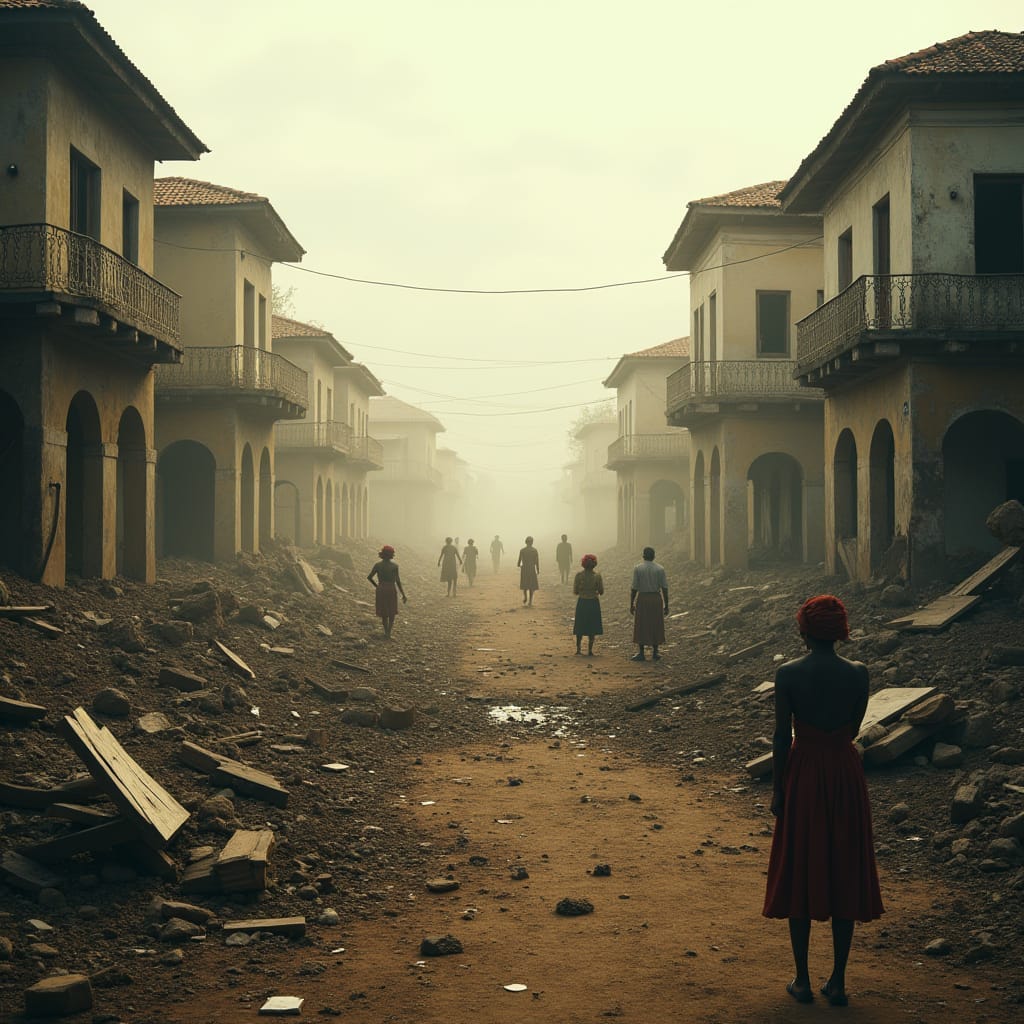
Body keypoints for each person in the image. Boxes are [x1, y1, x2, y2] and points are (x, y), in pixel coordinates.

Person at [763, 595, 883, 1008]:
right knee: (843, 867)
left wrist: (778, 789)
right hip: (845, 774)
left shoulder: (788, 674)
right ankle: (838, 981)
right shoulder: (859, 673)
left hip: (805, 773)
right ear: (840, 632)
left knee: (801, 866)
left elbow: (782, 737)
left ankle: (802, 979)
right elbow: (855, 725)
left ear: (804, 632)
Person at [629, 546, 668, 661]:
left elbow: (634, 588)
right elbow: (664, 588)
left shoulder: (638, 568)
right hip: (656, 598)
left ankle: (641, 652)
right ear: (654, 556)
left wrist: (631, 603)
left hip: (643, 598)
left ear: (643, 556)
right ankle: (655, 652)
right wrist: (667, 604)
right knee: (656, 623)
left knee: (641, 624)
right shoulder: (660, 569)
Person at [366, 545, 407, 638]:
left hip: (381, 589)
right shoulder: (395, 566)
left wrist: (377, 586)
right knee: (392, 610)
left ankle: (386, 632)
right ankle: (389, 632)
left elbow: (369, 577)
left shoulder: (377, 565)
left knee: (384, 611)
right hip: (391, 588)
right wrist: (403, 594)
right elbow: (398, 581)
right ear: (391, 555)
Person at [572, 554, 604, 655]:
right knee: (592, 626)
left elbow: (575, 591)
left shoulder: (579, 575)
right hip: (593, 602)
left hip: (582, 602)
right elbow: (601, 591)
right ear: (594, 564)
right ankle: (590, 650)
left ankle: (578, 649)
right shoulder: (597, 576)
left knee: (580, 625)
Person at [517, 535, 540, 606]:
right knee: (531, 586)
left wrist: (520, 565)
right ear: (532, 542)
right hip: (531, 569)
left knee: (525, 584)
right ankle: (530, 601)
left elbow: (519, 562)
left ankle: (525, 597)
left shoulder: (522, 550)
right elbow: (537, 561)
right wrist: (538, 569)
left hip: (524, 569)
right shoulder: (534, 550)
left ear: (526, 542)